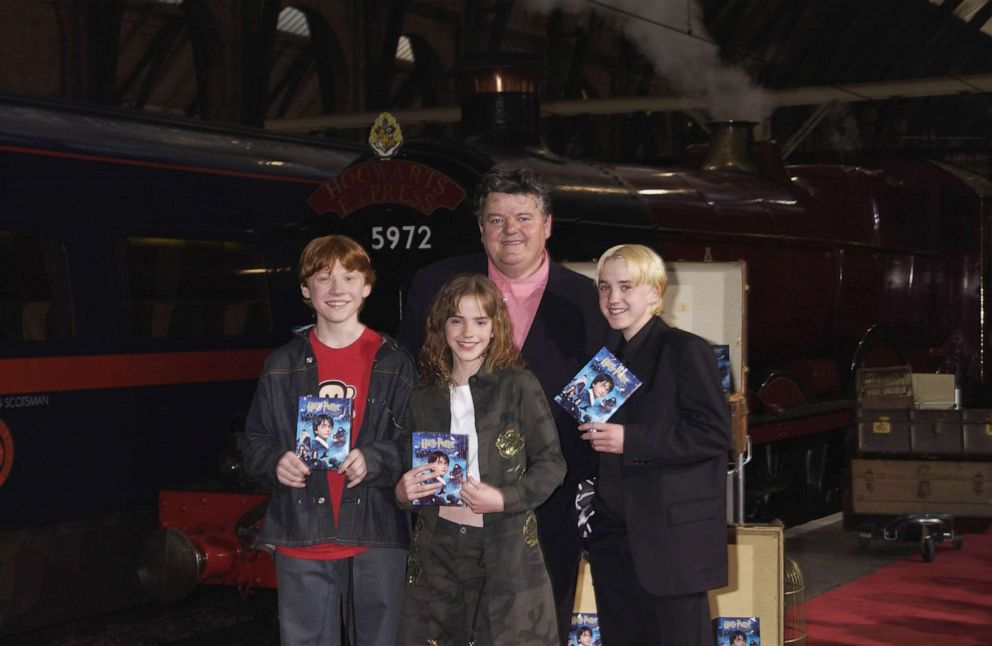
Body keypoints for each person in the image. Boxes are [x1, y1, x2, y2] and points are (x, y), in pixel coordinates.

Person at [397, 167, 605, 641]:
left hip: (550, 501)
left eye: (524, 217)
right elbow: (407, 384)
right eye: (496, 219)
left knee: (532, 628)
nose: (510, 230)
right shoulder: (435, 284)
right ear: (481, 228)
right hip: (446, 513)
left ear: (548, 225)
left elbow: (605, 401)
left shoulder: (588, 301)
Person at [242, 235, 417, 646]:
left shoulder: (395, 361)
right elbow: (253, 442)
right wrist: (274, 462)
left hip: (375, 533)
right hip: (303, 533)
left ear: (367, 287)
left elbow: (418, 444)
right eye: (323, 278)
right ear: (306, 290)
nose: (337, 290)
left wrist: (375, 458)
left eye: (349, 277)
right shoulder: (280, 364)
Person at [395, 274, 566, 645]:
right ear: (441, 327)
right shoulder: (424, 395)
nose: (467, 331)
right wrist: (403, 490)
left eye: (480, 321)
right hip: (438, 545)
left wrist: (504, 498)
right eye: (456, 319)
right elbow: (406, 470)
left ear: (495, 329)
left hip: (505, 545)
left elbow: (552, 464)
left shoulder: (519, 385)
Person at [578, 244, 730, 646]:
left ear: (655, 292)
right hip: (613, 536)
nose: (613, 298)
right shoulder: (606, 359)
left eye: (626, 286)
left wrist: (631, 439)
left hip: (670, 542)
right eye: (605, 287)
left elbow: (714, 433)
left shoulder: (685, 349)